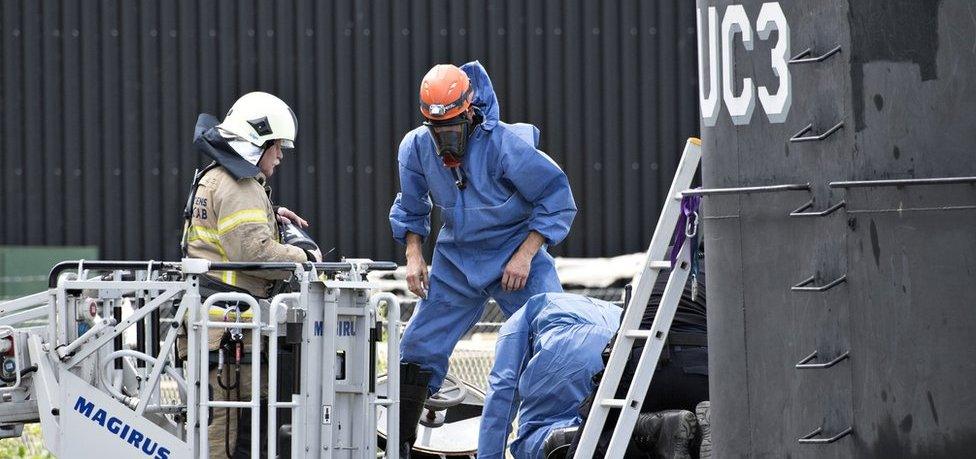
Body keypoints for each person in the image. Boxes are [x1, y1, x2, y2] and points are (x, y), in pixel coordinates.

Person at [389, 61, 577, 456]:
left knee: (558, 337)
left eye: (452, 129)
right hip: (457, 259)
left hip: (516, 256)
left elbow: (556, 198)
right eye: (436, 131)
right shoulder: (416, 147)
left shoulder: (508, 145)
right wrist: (413, 254)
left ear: (470, 114)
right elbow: (411, 206)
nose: (445, 141)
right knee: (417, 348)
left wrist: (526, 255)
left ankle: (559, 441)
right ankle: (399, 444)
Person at [180, 91, 321, 458]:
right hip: (229, 334)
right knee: (232, 440)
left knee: (234, 432)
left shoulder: (219, 177)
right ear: (255, 142)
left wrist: (272, 217)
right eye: (276, 147)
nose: (280, 155)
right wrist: (303, 255)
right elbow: (254, 253)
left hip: (221, 333)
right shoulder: (239, 185)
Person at [563, 272, 710, 459]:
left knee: (589, 446)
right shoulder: (734, 262)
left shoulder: (661, 262)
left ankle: (657, 428)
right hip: (701, 369)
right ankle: (695, 437)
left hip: (640, 364)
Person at [478, 293, 622, 459]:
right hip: (621, 340)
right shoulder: (562, 301)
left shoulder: (520, 317)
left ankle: (563, 437)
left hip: (566, 343)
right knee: (606, 422)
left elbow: (502, 388)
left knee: (536, 432)